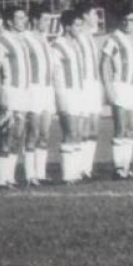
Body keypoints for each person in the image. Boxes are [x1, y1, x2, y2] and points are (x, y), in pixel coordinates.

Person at [101, 5, 133, 179]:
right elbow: (104, 63)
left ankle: (126, 166)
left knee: (132, 128)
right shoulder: (114, 38)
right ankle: (119, 167)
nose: (127, 23)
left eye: (131, 20)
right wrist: (108, 87)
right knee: (121, 127)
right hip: (120, 85)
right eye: (124, 20)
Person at [0, 6, 32, 188]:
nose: (24, 20)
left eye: (24, 17)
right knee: (7, 134)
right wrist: (0, 93)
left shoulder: (23, 39)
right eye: (19, 18)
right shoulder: (2, 40)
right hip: (10, 92)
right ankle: (1, 179)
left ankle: (10, 177)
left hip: (24, 93)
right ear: (9, 21)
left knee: (18, 135)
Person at [22, 3, 56, 184]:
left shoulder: (46, 39)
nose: (48, 23)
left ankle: (41, 174)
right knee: (33, 132)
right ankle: (30, 175)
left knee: (45, 133)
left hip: (47, 90)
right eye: (45, 20)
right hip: (33, 90)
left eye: (49, 20)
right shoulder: (26, 38)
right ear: (35, 20)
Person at [52, 11, 87, 183]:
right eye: (77, 25)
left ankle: (76, 172)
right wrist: (59, 96)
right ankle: (67, 175)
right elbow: (54, 73)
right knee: (70, 131)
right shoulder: (57, 45)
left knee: (78, 133)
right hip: (65, 92)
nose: (80, 28)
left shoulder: (77, 44)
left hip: (79, 92)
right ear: (67, 27)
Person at [74, 2, 104, 178]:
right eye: (94, 14)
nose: (97, 18)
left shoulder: (92, 37)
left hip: (94, 84)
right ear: (85, 16)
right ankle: (77, 168)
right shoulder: (77, 37)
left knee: (94, 127)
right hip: (83, 85)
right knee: (82, 127)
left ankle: (87, 168)